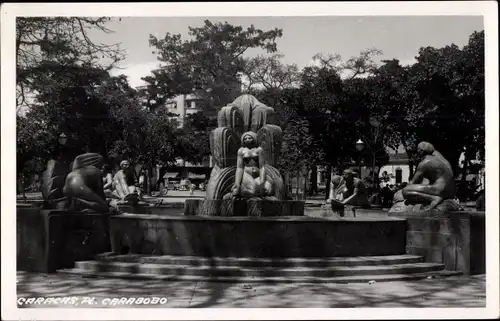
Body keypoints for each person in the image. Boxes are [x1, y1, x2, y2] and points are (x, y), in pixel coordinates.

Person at [401, 141, 456, 211]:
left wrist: (401, 189)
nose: (417, 152)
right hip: (451, 191)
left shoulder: (424, 163)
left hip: (440, 190)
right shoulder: (441, 159)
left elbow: (412, 182)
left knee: (405, 191)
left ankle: (434, 198)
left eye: (418, 150)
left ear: (422, 151)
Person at [231, 131, 274, 199]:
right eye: (245, 138)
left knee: (267, 189)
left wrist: (262, 182)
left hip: (257, 176)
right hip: (246, 174)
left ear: (254, 138)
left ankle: (244, 190)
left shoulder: (259, 150)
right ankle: (239, 190)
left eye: (249, 138)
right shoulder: (241, 151)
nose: (247, 140)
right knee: (253, 191)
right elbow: (239, 168)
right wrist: (237, 183)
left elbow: (262, 166)